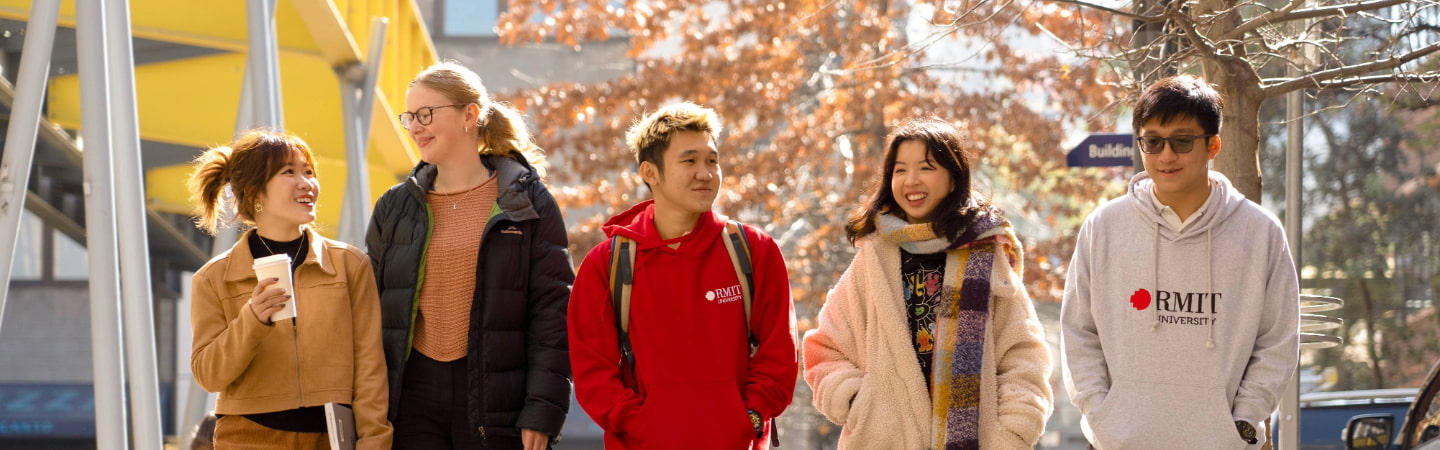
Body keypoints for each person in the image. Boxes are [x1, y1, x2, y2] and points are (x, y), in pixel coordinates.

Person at [1060, 75, 1300, 449]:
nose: (1165, 155)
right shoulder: (1104, 227)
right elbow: (1078, 333)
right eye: (1152, 141)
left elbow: (1278, 340)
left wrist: (1244, 421)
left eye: (1182, 141)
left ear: (1213, 145)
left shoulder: (1259, 232)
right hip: (1118, 442)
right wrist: (1101, 414)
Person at [802, 117, 1053, 449]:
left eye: (926, 167)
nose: (911, 180)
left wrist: (1011, 434)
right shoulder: (874, 256)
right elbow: (825, 348)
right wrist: (859, 403)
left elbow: (1024, 358)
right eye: (900, 170)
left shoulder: (985, 254)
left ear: (952, 178)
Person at [366, 61, 573, 450]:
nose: (414, 127)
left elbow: (553, 311)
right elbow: (369, 312)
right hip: (412, 399)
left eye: (425, 114)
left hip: (499, 403)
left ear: (470, 115)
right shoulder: (395, 207)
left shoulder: (529, 202)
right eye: (409, 116)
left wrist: (543, 409)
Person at [567, 102, 799, 449]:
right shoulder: (609, 264)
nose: (705, 172)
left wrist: (749, 416)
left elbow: (779, 353)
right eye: (689, 160)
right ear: (650, 172)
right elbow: (592, 370)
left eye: (712, 160)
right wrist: (642, 425)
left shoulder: (753, 250)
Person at [187, 130, 392, 449]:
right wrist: (252, 320)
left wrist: (374, 442)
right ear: (256, 193)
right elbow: (208, 375)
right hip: (248, 439)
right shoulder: (214, 278)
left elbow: (370, 368)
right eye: (289, 172)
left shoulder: (349, 266)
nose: (306, 183)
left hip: (331, 439)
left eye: (309, 172)